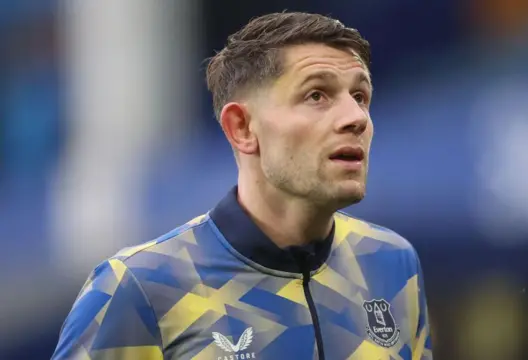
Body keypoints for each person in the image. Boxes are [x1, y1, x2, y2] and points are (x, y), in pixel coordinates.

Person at [52, 11, 432, 360]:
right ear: (242, 128)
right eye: (317, 95)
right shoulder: (139, 287)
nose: (356, 118)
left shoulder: (392, 262)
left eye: (360, 96)